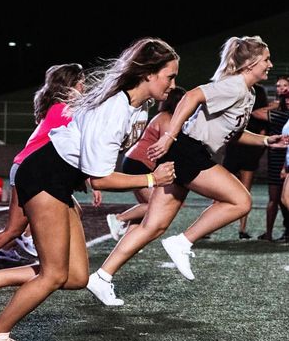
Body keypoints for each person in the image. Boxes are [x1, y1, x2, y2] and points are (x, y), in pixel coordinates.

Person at [0, 38, 178, 341]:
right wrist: (152, 179)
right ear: (148, 74)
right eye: (169, 76)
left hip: (59, 181)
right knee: (53, 275)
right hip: (44, 176)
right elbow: (100, 178)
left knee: (76, 276)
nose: (173, 84)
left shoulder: (127, 106)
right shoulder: (115, 109)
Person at [88, 36, 287, 310]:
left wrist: (266, 141)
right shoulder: (234, 86)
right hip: (189, 150)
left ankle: (101, 276)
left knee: (153, 225)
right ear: (251, 63)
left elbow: (234, 133)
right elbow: (192, 96)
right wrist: (169, 136)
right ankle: (183, 242)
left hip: (190, 151)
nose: (270, 65)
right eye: (266, 60)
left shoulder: (247, 93)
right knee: (241, 201)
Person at [0, 63, 88, 267]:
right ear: (71, 86)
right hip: (29, 171)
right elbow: (76, 142)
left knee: (71, 211)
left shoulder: (58, 108)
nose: (84, 88)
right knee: (14, 229)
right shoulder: (62, 110)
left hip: (33, 172)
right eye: (82, 83)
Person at [107, 86, 186, 241]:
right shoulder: (166, 119)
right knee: (157, 206)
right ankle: (119, 218)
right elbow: (169, 149)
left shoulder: (165, 117)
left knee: (150, 206)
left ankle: (129, 238)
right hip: (138, 163)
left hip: (136, 162)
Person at [221, 83, 268, 239]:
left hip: (246, 146)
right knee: (223, 188)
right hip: (238, 146)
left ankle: (242, 229)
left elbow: (262, 125)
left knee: (243, 190)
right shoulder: (239, 90)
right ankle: (237, 229)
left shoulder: (257, 92)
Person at [251, 76, 289, 241]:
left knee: (285, 199)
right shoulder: (276, 111)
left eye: (285, 86)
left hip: (286, 159)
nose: (281, 89)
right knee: (277, 198)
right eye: (278, 86)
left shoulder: (279, 115)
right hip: (277, 157)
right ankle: (269, 232)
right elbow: (255, 113)